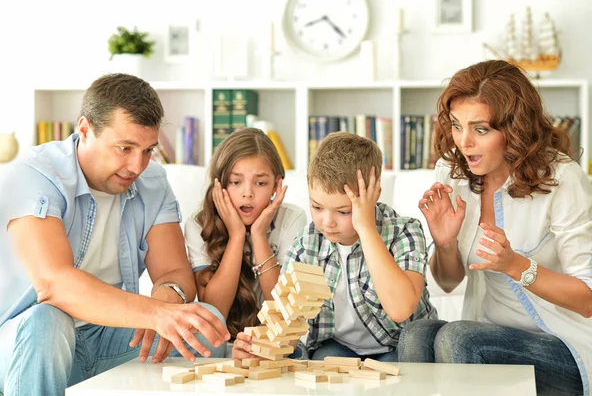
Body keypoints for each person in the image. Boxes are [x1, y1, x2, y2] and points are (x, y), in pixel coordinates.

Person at [0, 73, 230, 396]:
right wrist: (154, 314)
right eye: (124, 148)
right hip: (24, 342)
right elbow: (54, 284)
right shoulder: (35, 175)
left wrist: (167, 304)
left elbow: (175, 273)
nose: (137, 166)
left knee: (207, 325)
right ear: (84, 130)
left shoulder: (152, 181)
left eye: (148, 150)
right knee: (47, 321)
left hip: (108, 337)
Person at [398, 60, 592, 396]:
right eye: (457, 125)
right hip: (483, 338)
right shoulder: (451, 173)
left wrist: (515, 265)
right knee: (417, 334)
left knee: (458, 337)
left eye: (481, 129)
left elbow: (589, 299)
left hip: (564, 346)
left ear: (515, 129)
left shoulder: (562, 179)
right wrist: (445, 242)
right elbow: (448, 282)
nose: (464, 142)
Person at [274, 132, 437, 361]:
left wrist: (366, 228)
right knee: (324, 361)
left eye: (343, 211)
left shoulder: (404, 231)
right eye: (317, 207)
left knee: (394, 372)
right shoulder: (307, 243)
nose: (327, 222)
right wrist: (264, 345)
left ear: (375, 195)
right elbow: (285, 322)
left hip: (396, 344)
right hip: (338, 346)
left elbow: (401, 309)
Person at [184, 128, 307, 360]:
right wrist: (237, 236)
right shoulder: (197, 225)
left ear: (276, 187)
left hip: (277, 342)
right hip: (222, 343)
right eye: (235, 182)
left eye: (260, 183)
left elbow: (284, 309)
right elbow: (215, 311)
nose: (247, 194)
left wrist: (259, 236)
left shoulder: (292, 219)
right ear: (219, 185)